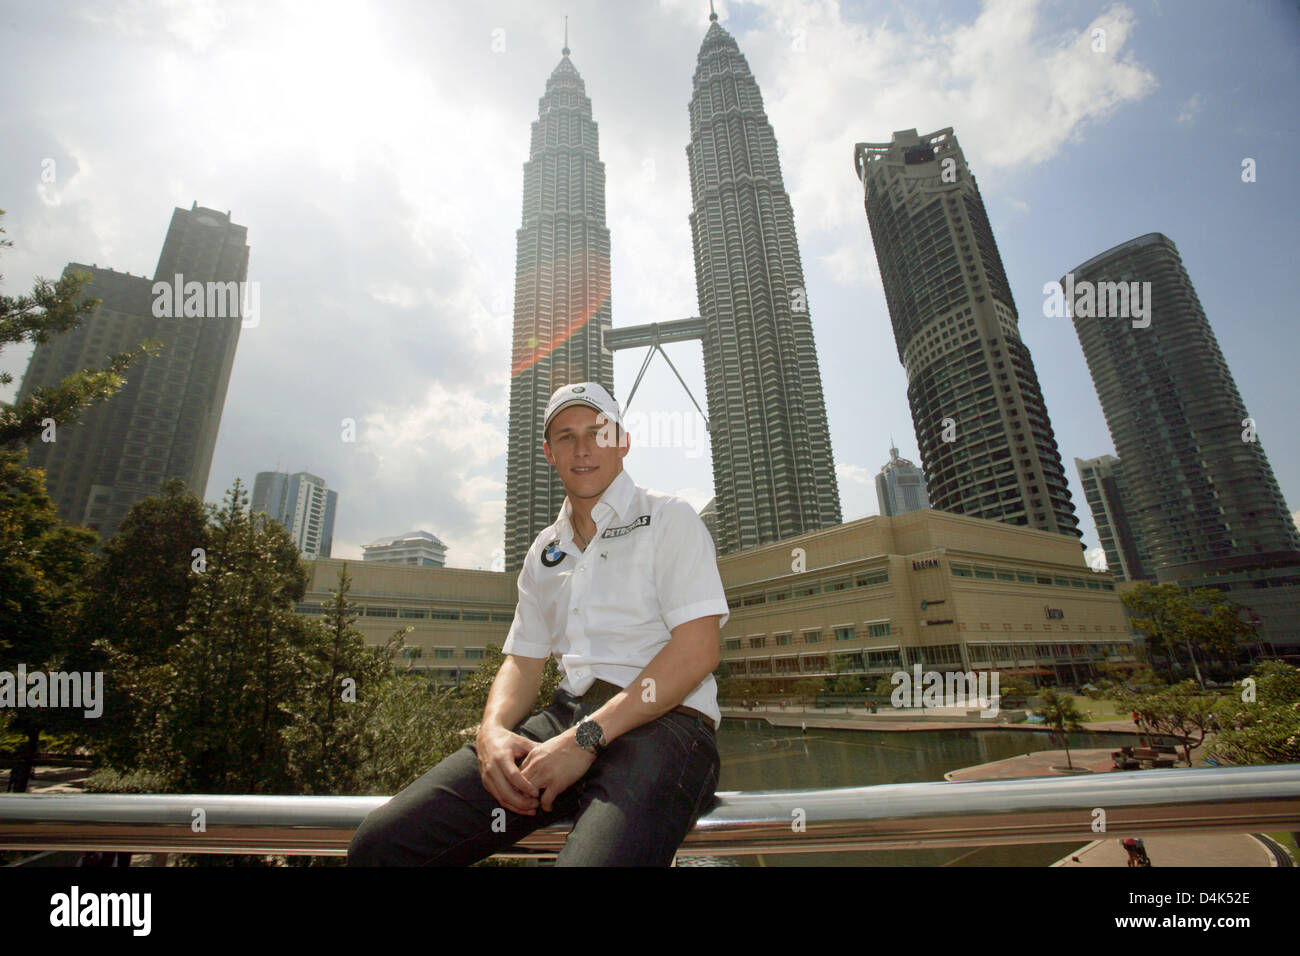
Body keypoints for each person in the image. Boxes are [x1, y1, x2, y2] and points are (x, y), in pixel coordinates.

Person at [347, 382, 729, 867]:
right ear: (550, 454)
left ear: (623, 442)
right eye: (566, 437)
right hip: (564, 721)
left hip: (667, 727)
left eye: (597, 432)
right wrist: (491, 733)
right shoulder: (545, 549)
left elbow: (697, 652)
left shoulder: (670, 519)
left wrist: (585, 740)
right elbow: (523, 661)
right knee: (381, 847)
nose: (583, 447)